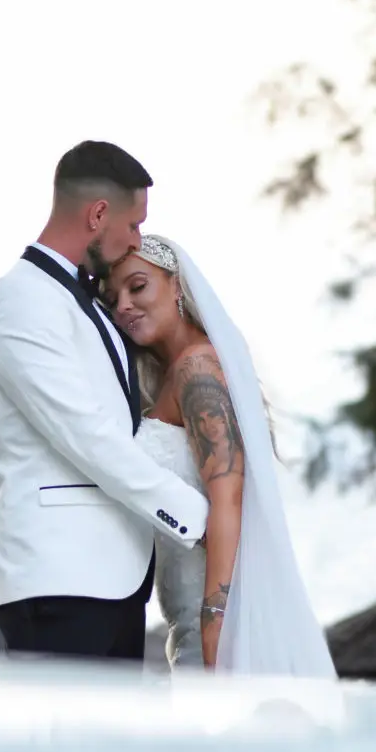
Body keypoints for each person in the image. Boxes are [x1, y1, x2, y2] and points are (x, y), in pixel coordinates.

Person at [0, 142, 208, 662]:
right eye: (134, 224)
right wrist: (198, 516)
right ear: (98, 214)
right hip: (59, 582)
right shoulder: (19, 301)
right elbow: (87, 436)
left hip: (113, 582)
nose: (137, 239)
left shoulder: (89, 303)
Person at [103, 234, 336, 676]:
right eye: (113, 299)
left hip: (213, 619)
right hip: (185, 614)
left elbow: (228, 495)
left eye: (138, 286)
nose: (124, 306)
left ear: (176, 285)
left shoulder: (197, 369)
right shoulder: (172, 374)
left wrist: (215, 620)